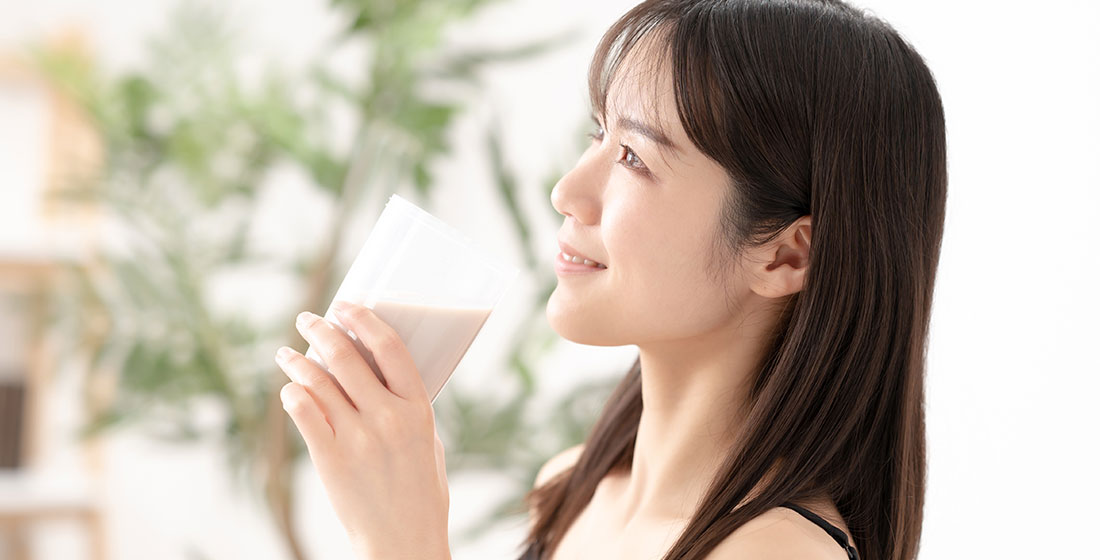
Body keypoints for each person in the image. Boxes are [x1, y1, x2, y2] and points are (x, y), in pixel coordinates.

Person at [274, 0, 946, 559]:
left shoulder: (778, 552)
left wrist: (403, 542)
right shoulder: (570, 488)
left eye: (633, 155)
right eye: (599, 134)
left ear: (785, 258)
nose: (569, 190)